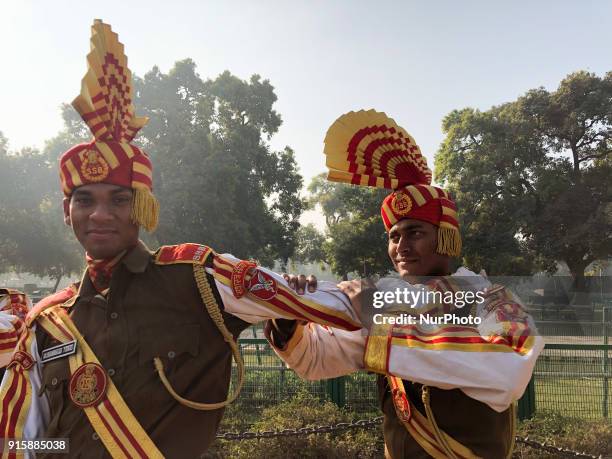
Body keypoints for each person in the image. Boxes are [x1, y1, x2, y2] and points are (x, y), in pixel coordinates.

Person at [0, 21, 362, 458]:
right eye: (84, 200)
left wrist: (434, 299)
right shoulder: (45, 323)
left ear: (143, 207)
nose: (100, 214)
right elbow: (23, 440)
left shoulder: (201, 277)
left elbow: (338, 304)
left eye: (119, 199)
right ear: (66, 211)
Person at [265, 110, 544, 459]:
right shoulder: (387, 303)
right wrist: (290, 313)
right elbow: (316, 360)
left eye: (415, 232)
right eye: (394, 236)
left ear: (446, 237)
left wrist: (376, 322)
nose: (401, 247)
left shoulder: (489, 298)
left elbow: (510, 369)